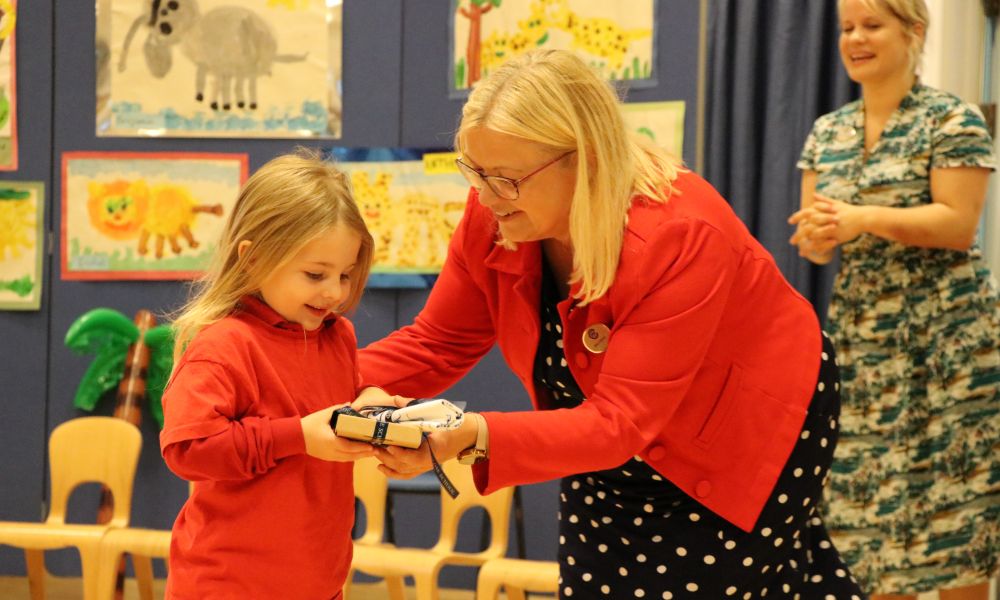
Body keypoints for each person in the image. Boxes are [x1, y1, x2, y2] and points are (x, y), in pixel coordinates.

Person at [354, 48, 865, 599]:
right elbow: (437, 343)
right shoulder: (497, 214)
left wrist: (470, 436)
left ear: (587, 158)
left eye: (505, 178)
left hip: (746, 426)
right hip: (613, 437)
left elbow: (621, 421)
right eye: (474, 172)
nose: (485, 196)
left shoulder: (679, 234)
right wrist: (304, 376)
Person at [789, 1, 999, 598]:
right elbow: (817, 246)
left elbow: (959, 223)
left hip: (948, 346)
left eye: (872, 26)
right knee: (867, 524)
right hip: (864, 346)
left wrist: (862, 218)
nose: (855, 38)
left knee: (958, 525)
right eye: (846, 28)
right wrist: (820, 235)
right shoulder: (827, 131)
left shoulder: (952, 118)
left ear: (915, 33)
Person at [160, 151, 395, 599]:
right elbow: (187, 448)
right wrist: (298, 437)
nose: (334, 292)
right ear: (253, 258)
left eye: (345, 275)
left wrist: (369, 400)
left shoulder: (336, 335)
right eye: (314, 274)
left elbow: (323, 406)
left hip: (318, 582)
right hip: (228, 587)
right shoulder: (224, 344)